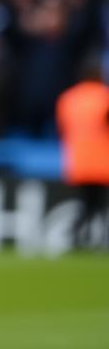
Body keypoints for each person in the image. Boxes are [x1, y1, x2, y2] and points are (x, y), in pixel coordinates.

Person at [56, 57, 109, 250]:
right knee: (100, 206)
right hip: (102, 164)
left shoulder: (68, 98)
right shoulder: (104, 98)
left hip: (77, 162)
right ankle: (98, 240)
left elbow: (62, 130)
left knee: (85, 205)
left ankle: (78, 237)